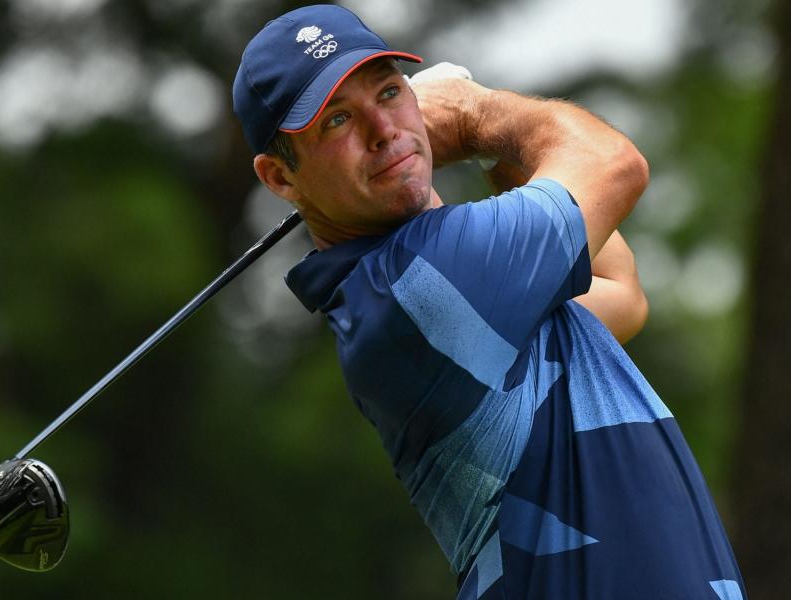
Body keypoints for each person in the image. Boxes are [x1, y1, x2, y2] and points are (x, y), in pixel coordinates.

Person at [233, 5, 746, 599]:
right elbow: (614, 165)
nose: (384, 129)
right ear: (279, 177)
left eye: (391, 92)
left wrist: (493, 154)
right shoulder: (425, 276)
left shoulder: (435, 295)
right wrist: (474, 113)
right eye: (338, 120)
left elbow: (620, 296)